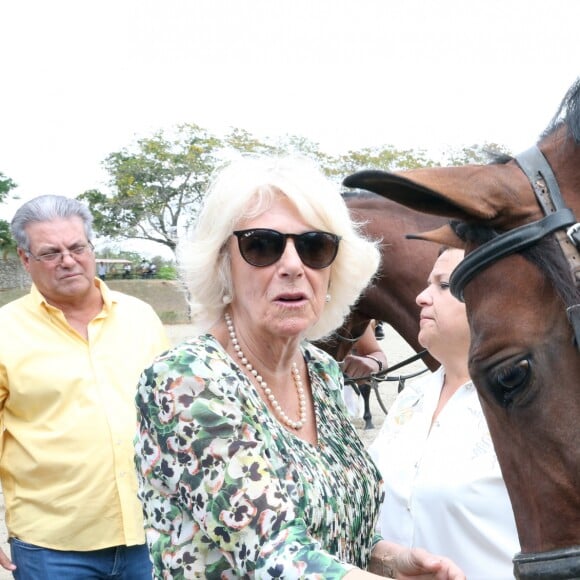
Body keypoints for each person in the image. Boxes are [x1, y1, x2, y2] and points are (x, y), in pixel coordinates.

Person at [134, 156, 465, 579]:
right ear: (223, 264)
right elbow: (271, 553)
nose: (293, 265)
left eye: (314, 247)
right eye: (262, 245)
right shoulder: (185, 381)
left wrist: (392, 560)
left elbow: (339, 532)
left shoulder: (322, 372)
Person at [0, 195, 171, 579]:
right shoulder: (4, 331)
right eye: (50, 252)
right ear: (25, 260)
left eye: (77, 247)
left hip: (151, 534)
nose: (68, 260)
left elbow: (171, 414)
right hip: (53, 548)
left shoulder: (141, 318)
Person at [368, 247, 520, 580]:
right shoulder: (411, 398)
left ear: (493, 300)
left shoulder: (521, 410)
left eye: (443, 286)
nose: (422, 297)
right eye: (427, 284)